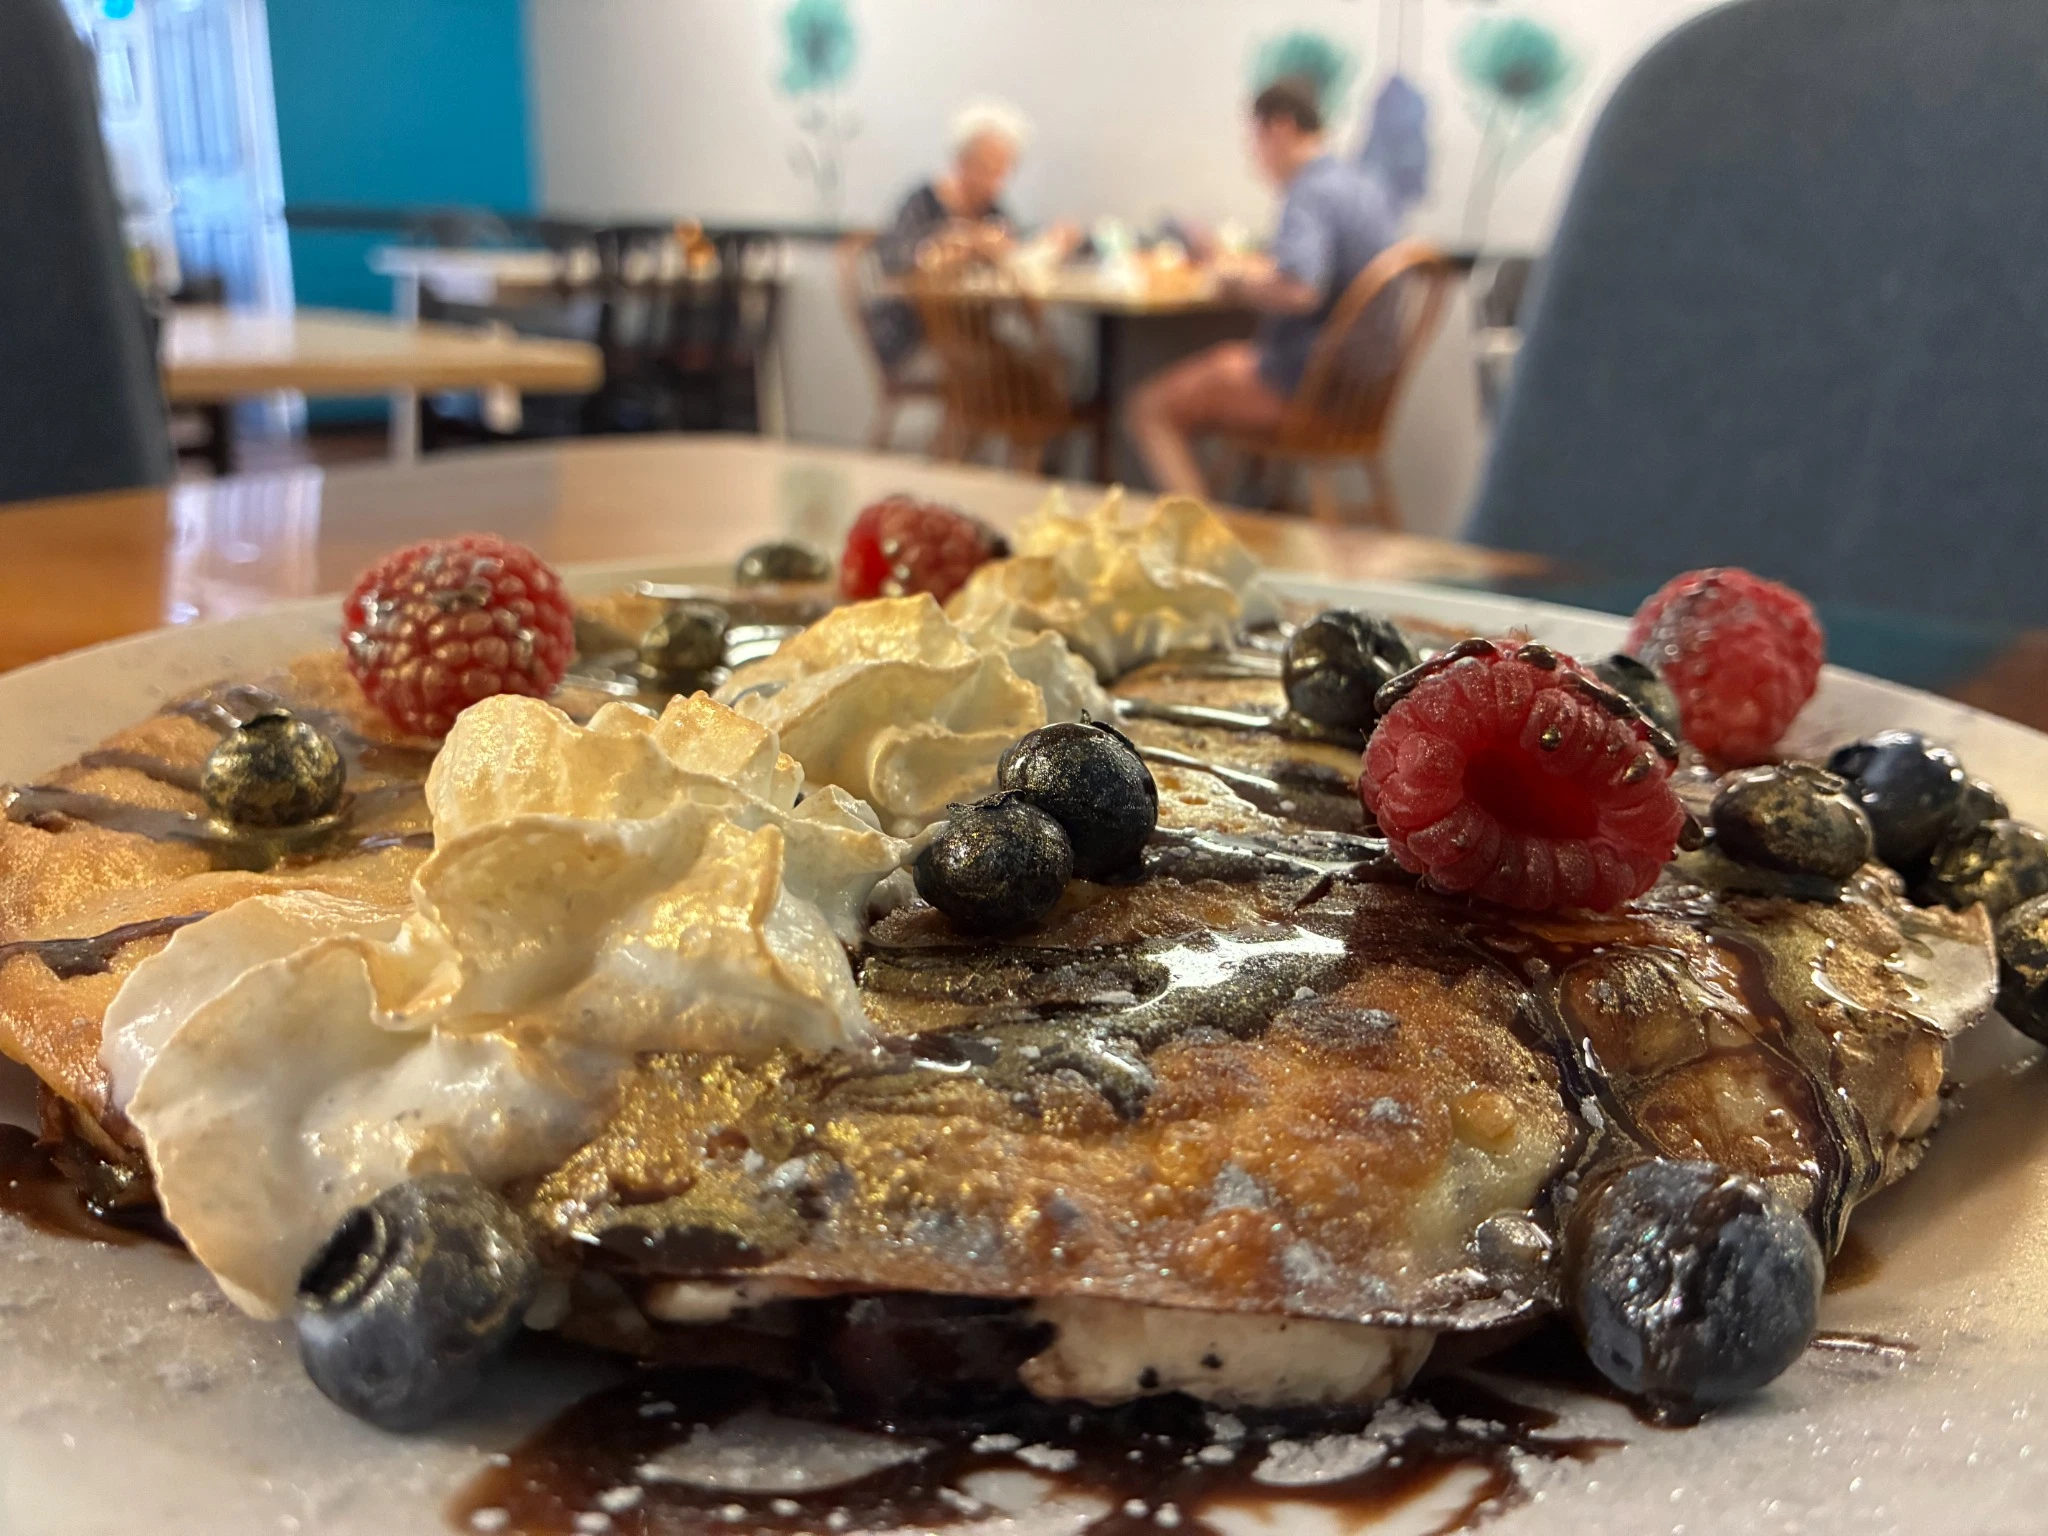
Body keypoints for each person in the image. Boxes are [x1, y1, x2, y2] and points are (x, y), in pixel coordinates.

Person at [1127, 77, 1401, 498]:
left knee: (1149, 408)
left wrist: (1230, 281)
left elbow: (1301, 289)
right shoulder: (1360, 186)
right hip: (1363, 390)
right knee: (1228, 362)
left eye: (1253, 140)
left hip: (1309, 388)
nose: (1254, 155)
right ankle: (1245, 516)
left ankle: (1201, 542)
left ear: (1280, 128)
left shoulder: (1310, 191)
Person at [863, 100, 1031, 372]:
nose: (996, 182)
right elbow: (892, 259)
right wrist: (951, 245)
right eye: (988, 168)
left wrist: (1005, 250)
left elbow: (1014, 252)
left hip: (969, 334)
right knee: (1012, 376)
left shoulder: (992, 211)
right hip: (914, 336)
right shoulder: (923, 202)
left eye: (1004, 170)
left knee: (1036, 371)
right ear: (961, 161)